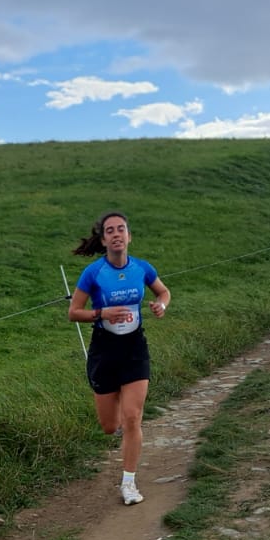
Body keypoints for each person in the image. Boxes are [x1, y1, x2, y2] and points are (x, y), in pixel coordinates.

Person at [69, 211, 171, 505]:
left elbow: (163, 292)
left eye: (121, 229)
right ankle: (121, 434)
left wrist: (161, 306)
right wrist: (102, 313)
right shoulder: (94, 273)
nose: (116, 234)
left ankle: (129, 483)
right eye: (110, 230)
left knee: (132, 417)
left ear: (129, 236)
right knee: (110, 426)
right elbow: (73, 312)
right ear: (103, 240)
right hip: (104, 350)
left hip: (134, 348)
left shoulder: (142, 268)